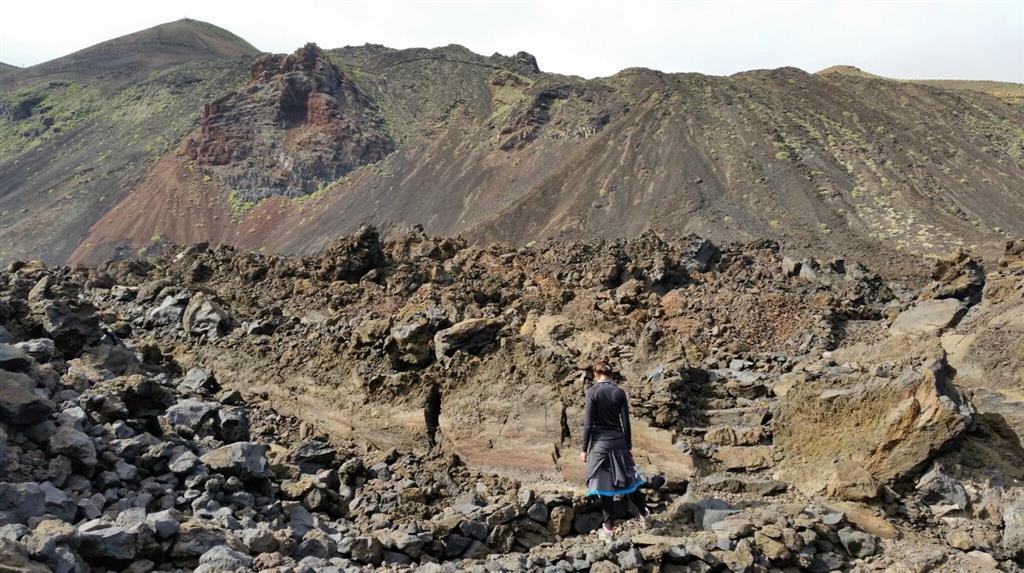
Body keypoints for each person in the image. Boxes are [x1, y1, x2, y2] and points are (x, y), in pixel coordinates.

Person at [580, 362, 650, 537]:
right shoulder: (619, 392)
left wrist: (584, 449)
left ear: (596, 374)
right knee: (629, 482)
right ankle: (645, 515)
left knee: (604, 486)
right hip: (618, 442)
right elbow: (625, 423)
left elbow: (588, 424)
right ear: (610, 375)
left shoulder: (591, 392)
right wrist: (628, 446)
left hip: (600, 444)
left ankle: (609, 530)